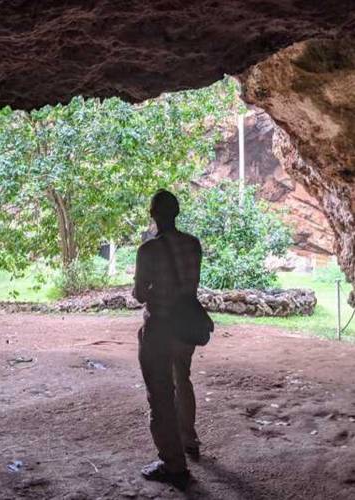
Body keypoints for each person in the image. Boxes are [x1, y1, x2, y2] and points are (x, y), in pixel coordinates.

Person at [133, 189, 202, 489]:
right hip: (186, 325)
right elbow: (192, 283)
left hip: (160, 327)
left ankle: (172, 463)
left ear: (153, 214)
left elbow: (140, 295)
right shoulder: (193, 244)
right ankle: (189, 438)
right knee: (182, 379)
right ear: (177, 212)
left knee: (160, 394)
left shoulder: (148, 251)